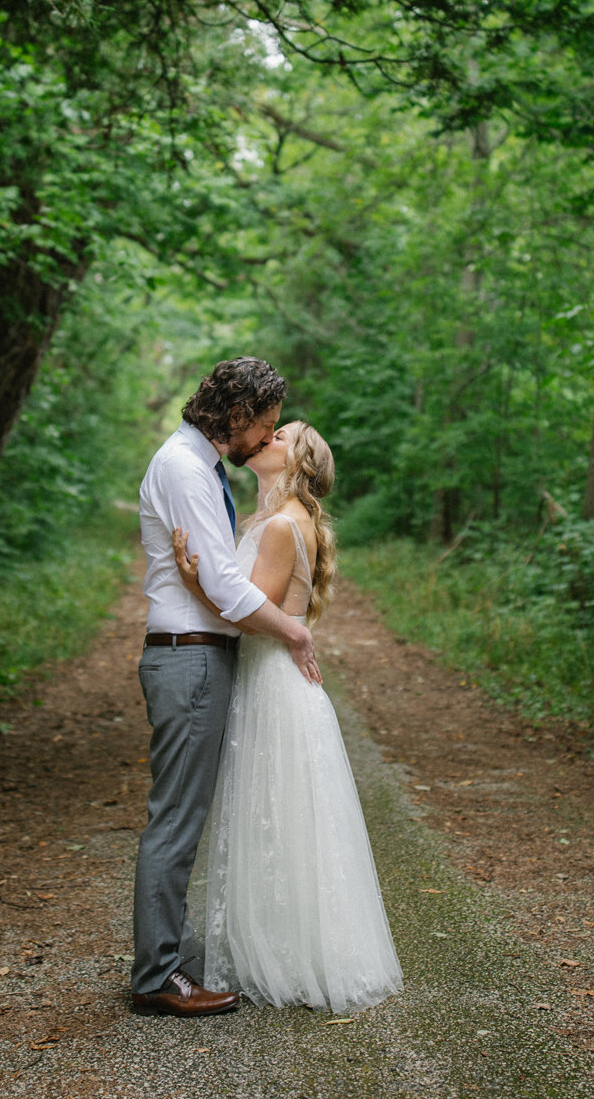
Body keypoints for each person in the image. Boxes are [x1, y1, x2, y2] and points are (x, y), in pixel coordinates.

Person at [172, 418, 403, 1015]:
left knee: (274, 812)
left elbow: (247, 612)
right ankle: (281, 943)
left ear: (297, 464)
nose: (265, 439)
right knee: (283, 814)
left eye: (280, 438)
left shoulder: (279, 526)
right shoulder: (278, 520)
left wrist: (194, 581)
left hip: (272, 682)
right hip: (273, 677)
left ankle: (282, 954)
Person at [130, 357, 316, 1017]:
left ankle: (171, 961)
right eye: (263, 427)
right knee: (176, 819)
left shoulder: (200, 467)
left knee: (183, 816)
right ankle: (158, 975)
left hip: (199, 653)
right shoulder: (185, 467)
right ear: (235, 416)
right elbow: (227, 587)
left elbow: (215, 577)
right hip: (190, 657)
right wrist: (293, 633)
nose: (265, 440)